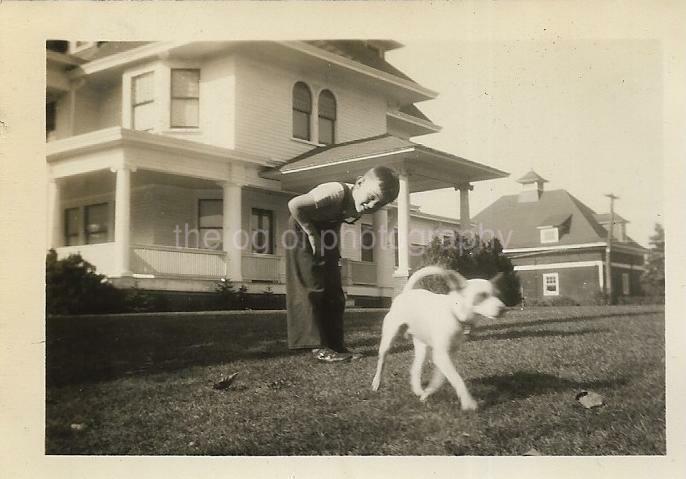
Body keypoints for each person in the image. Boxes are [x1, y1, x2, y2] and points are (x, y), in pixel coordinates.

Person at [286, 166, 400, 362]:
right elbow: (294, 205)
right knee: (312, 287)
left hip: (326, 234)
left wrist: (332, 250)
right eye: (371, 197)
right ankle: (318, 347)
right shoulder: (335, 191)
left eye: (378, 204)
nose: (371, 205)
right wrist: (312, 235)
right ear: (359, 183)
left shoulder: (357, 204)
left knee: (335, 293)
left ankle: (336, 346)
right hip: (302, 229)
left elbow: (334, 221)